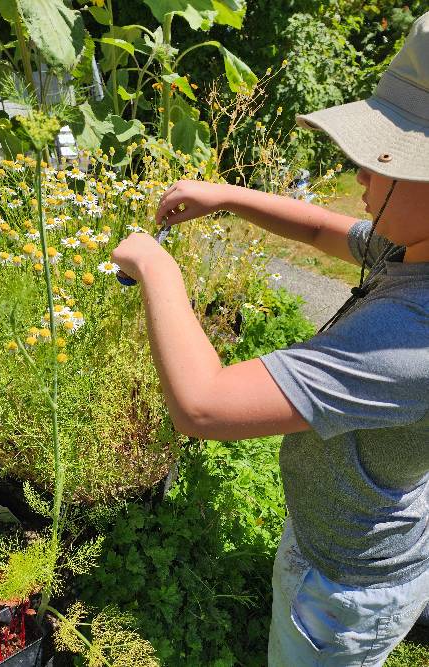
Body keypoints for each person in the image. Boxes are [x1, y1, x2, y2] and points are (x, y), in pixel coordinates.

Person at [112, 11, 429, 667]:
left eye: (380, 159)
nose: (358, 174)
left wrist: (156, 264)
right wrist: (228, 195)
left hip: (343, 591)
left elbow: (202, 404)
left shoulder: (409, 337)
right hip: (346, 532)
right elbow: (323, 232)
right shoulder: (413, 250)